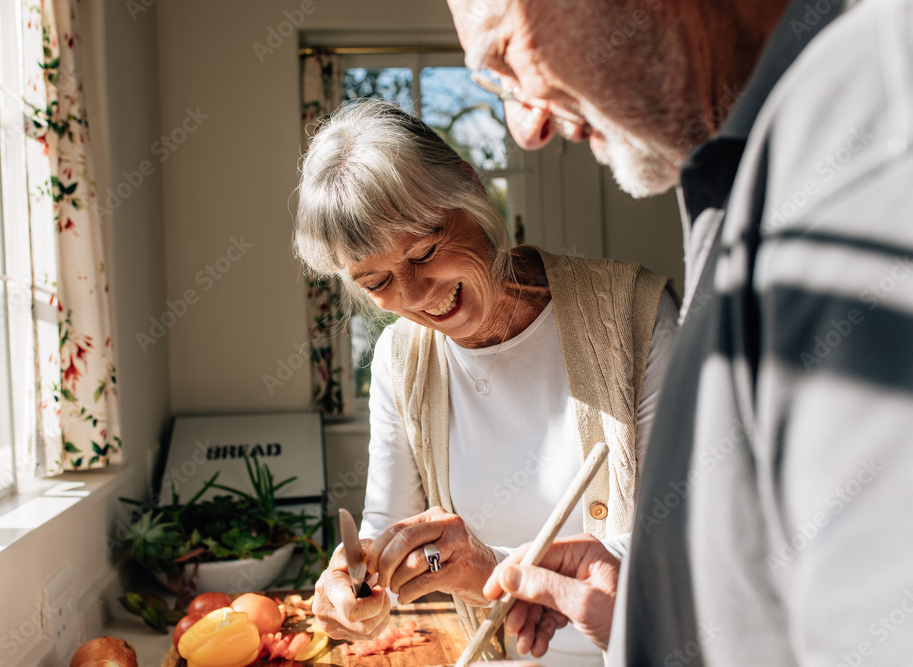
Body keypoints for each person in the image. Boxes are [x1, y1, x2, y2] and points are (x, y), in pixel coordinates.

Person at [446, 0, 913, 664]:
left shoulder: (868, 156)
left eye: (505, 58)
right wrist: (649, 597)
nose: (527, 127)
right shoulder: (753, 168)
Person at [293, 98, 680, 666]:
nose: (417, 294)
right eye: (377, 280)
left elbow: (679, 538)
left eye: (424, 250)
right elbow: (384, 527)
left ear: (469, 192)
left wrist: (490, 565)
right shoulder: (399, 359)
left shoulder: (633, 314)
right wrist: (355, 581)